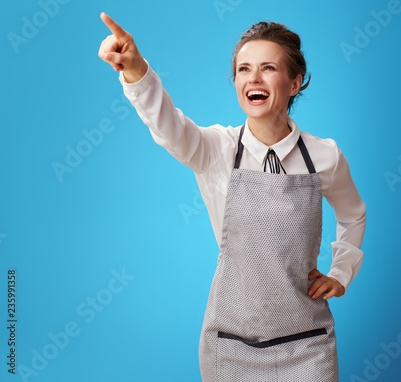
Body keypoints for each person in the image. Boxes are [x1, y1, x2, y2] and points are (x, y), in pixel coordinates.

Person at [98, 12, 366, 382]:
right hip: (231, 345)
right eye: (243, 69)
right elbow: (167, 126)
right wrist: (136, 69)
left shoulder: (325, 156)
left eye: (268, 67)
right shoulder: (214, 148)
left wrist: (341, 272)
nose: (253, 78)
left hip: (307, 344)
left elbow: (353, 215)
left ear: (294, 83)